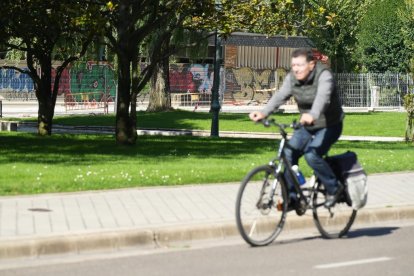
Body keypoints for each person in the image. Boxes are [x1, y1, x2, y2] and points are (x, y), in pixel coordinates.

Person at [249, 48, 344, 208]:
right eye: (293, 65)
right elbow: (281, 95)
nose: (296, 68)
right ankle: (292, 198)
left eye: (300, 65)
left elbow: (323, 98)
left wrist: (313, 114)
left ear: (312, 64)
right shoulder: (292, 78)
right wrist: (264, 113)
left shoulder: (324, 75)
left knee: (312, 155)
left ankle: (335, 189)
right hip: (307, 125)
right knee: (288, 152)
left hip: (330, 124)